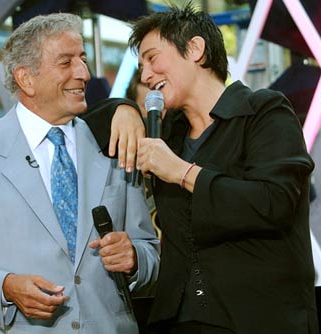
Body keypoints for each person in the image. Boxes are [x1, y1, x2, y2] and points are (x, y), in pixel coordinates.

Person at [88, 2, 318, 333]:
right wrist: (121, 108)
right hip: (179, 319)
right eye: (141, 67)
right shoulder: (167, 135)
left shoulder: (263, 112)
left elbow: (274, 202)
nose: (146, 75)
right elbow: (79, 124)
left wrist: (182, 172)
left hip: (259, 319)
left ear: (195, 49)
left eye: (153, 58)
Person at [0, 13, 159, 334]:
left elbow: (151, 251)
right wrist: (5, 286)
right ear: (26, 78)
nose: (84, 73)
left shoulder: (116, 144)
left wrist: (135, 257)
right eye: (66, 62)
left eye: (83, 58)